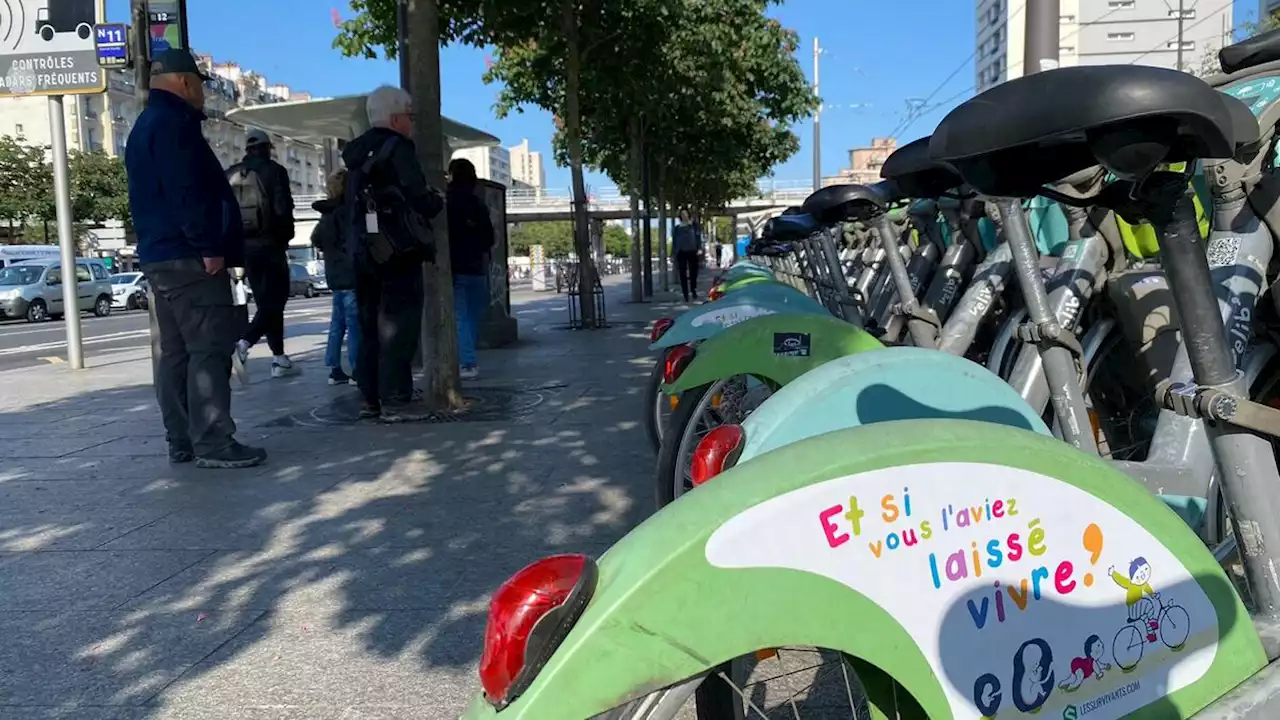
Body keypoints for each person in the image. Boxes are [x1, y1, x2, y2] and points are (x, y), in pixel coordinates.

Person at [125, 49, 267, 469]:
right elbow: (188, 192)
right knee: (208, 347)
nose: (204, 93)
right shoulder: (175, 126)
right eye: (201, 83)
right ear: (185, 82)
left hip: (160, 254)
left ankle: (183, 439)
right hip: (189, 256)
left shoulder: (145, 126)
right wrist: (208, 246)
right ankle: (213, 440)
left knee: (176, 352)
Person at [342, 85, 444, 422]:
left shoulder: (356, 156)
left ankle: (370, 398)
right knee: (400, 324)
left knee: (369, 325)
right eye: (410, 116)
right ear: (396, 118)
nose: (412, 123)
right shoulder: (397, 148)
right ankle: (396, 399)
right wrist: (434, 199)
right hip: (396, 252)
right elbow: (418, 197)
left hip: (362, 251)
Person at [228, 128, 296, 379]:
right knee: (276, 301)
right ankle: (244, 343)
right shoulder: (275, 172)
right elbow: (282, 209)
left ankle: (280, 358)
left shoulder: (232, 173)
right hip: (271, 245)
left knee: (266, 302)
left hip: (244, 249)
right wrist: (285, 237)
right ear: (267, 148)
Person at [446, 157, 495, 380]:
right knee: (472, 316)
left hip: (455, 267)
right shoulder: (478, 204)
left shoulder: (447, 202)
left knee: (460, 316)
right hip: (477, 267)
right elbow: (489, 238)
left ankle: (467, 362)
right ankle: (468, 356)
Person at [311, 169, 360, 386]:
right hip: (350, 273)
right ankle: (357, 368)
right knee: (354, 324)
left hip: (333, 273)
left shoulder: (326, 213)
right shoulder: (347, 212)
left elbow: (316, 238)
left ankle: (334, 369)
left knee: (337, 323)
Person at [672, 210, 702, 302]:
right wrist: (673, 254)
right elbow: (674, 242)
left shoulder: (693, 225)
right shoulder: (677, 228)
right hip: (681, 252)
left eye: (685, 214)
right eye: (682, 214)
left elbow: (698, 237)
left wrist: (699, 248)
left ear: (689, 215)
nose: (684, 216)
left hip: (692, 251)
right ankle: (685, 293)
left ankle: (693, 289)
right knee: (682, 273)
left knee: (694, 272)